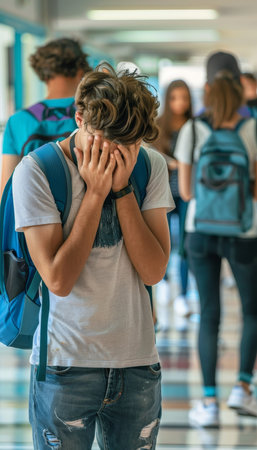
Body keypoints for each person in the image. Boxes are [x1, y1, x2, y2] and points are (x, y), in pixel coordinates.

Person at [12, 63, 174, 449]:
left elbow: (153, 271)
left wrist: (122, 193)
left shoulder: (148, 165)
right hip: (64, 366)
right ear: (79, 118)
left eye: (127, 145)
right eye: (104, 142)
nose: (115, 155)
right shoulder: (36, 172)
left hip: (137, 362)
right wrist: (96, 194)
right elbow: (58, 279)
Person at [175, 50, 257, 427]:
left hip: (200, 232)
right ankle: (242, 387)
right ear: (240, 86)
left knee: (209, 316)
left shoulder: (192, 129)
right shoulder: (252, 128)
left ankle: (207, 403)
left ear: (206, 88)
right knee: (252, 310)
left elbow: (187, 192)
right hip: (244, 231)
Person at [0, 37, 91, 196]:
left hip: (34, 211)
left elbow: (7, 191)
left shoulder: (18, 121)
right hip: (86, 209)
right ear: (81, 72)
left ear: (43, 74)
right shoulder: (93, 114)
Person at [153, 80, 193, 318]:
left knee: (186, 245)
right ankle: (165, 280)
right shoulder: (157, 126)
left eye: (184, 98)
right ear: (168, 100)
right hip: (164, 193)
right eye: (175, 98)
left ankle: (184, 295)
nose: (180, 103)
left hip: (188, 193)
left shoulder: (195, 126)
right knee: (164, 242)